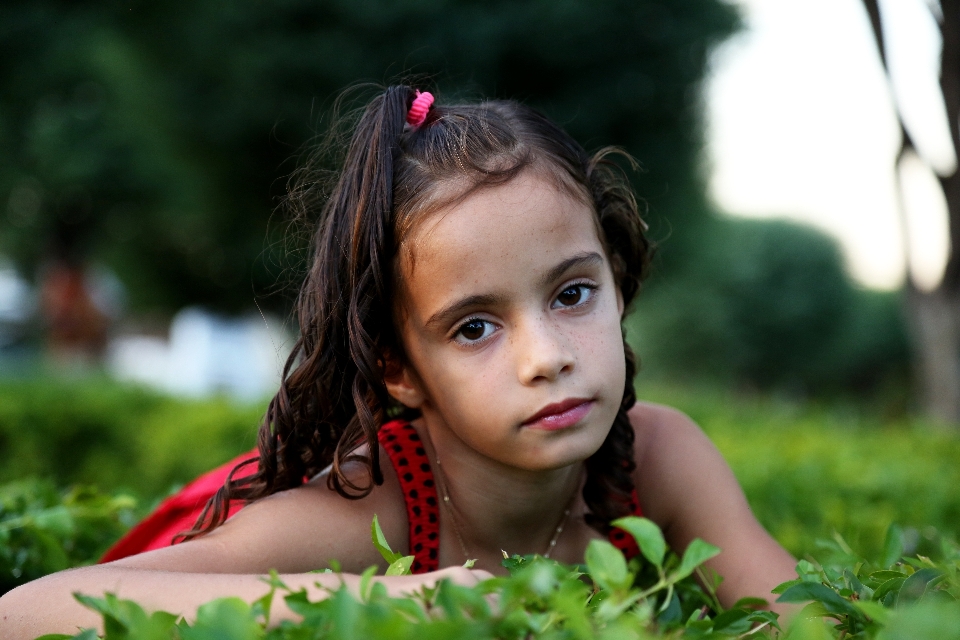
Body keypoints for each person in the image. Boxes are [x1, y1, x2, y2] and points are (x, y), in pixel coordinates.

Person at [0, 85, 797, 637]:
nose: (547, 358)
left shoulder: (659, 458)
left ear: (616, 282)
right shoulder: (371, 510)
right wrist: (396, 603)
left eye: (571, 294)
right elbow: (23, 613)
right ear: (399, 367)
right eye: (475, 328)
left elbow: (801, 617)